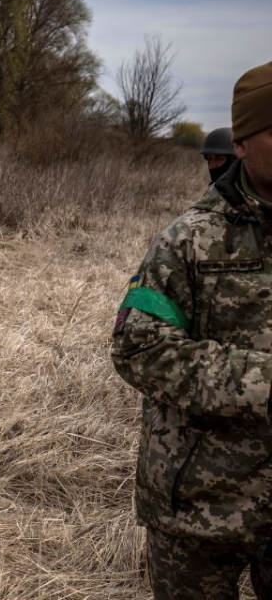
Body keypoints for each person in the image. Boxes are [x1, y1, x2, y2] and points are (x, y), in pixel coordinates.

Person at [112, 61, 272, 599]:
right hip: (198, 504)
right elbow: (140, 347)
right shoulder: (187, 241)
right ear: (245, 143)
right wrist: (263, 383)